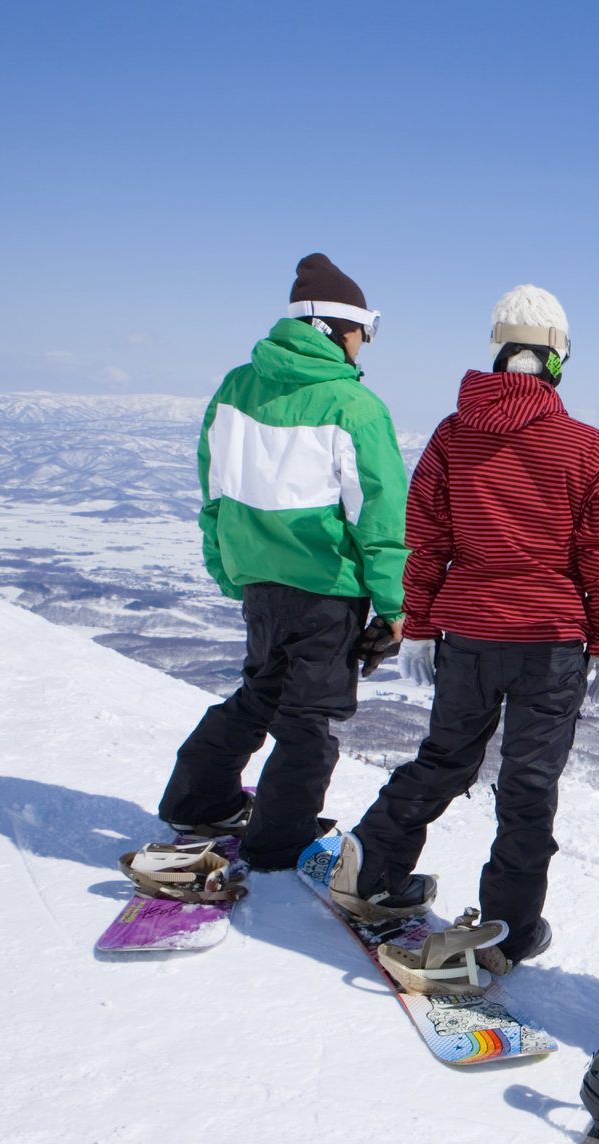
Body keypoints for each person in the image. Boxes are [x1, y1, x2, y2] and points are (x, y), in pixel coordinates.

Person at [326, 285, 599, 994]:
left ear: (498, 352)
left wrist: (421, 625)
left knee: (445, 758)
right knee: (528, 787)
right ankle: (506, 934)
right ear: (558, 359)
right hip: (551, 642)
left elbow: (426, 540)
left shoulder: (452, 434)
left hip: (467, 633)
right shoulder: (587, 448)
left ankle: (369, 869)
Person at [156, 254, 408, 872]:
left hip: (260, 582)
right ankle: (278, 841)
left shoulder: (235, 388)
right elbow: (380, 518)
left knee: (259, 694)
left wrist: (227, 567)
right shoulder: (355, 407)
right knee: (309, 719)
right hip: (325, 588)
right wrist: (395, 604)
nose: (364, 343)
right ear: (332, 328)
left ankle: (196, 801)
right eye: (364, 329)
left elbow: (214, 490)